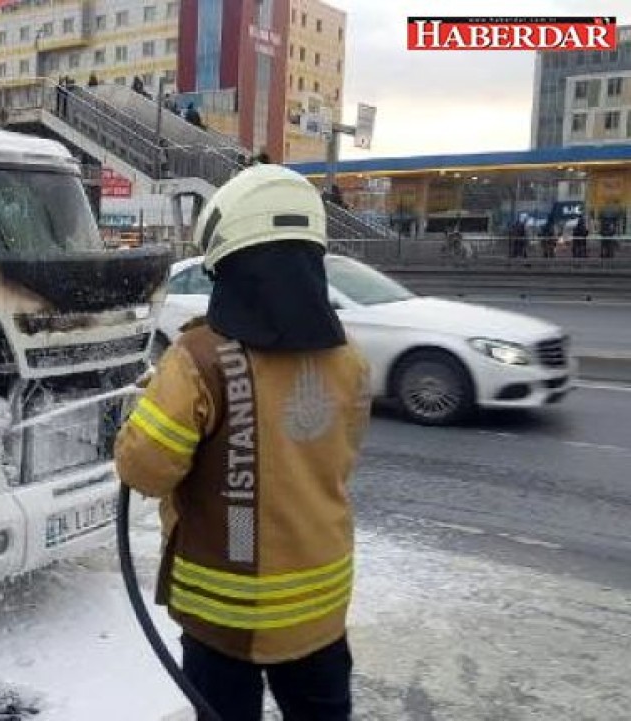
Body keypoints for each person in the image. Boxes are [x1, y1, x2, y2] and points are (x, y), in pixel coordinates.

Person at [116, 164, 371, 721]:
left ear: (231, 264)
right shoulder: (346, 357)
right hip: (321, 611)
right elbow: (340, 456)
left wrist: (150, 407)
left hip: (224, 617)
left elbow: (144, 470)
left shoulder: (200, 360)